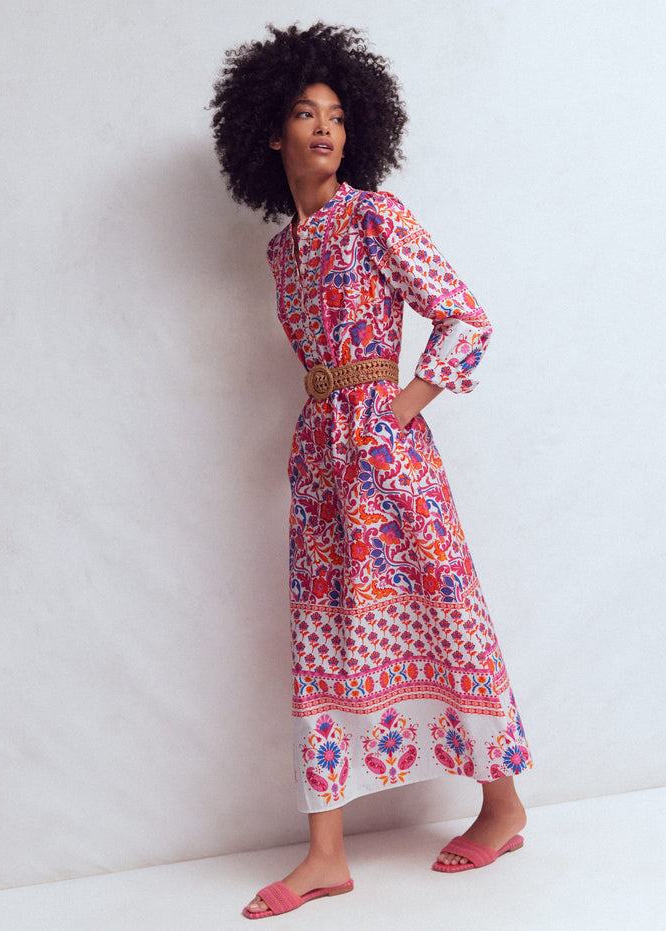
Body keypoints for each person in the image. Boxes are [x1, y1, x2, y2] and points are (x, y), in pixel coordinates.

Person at [211, 23, 532, 920]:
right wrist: (334, 430)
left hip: (389, 453)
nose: (324, 128)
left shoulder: (374, 216)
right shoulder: (281, 252)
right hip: (319, 458)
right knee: (321, 636)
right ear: (269, 133)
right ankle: (326, 854)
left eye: (338, 116)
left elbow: (465, 318)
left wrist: (399, 409)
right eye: (305, 114)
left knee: (445, 610)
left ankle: (503, 805)